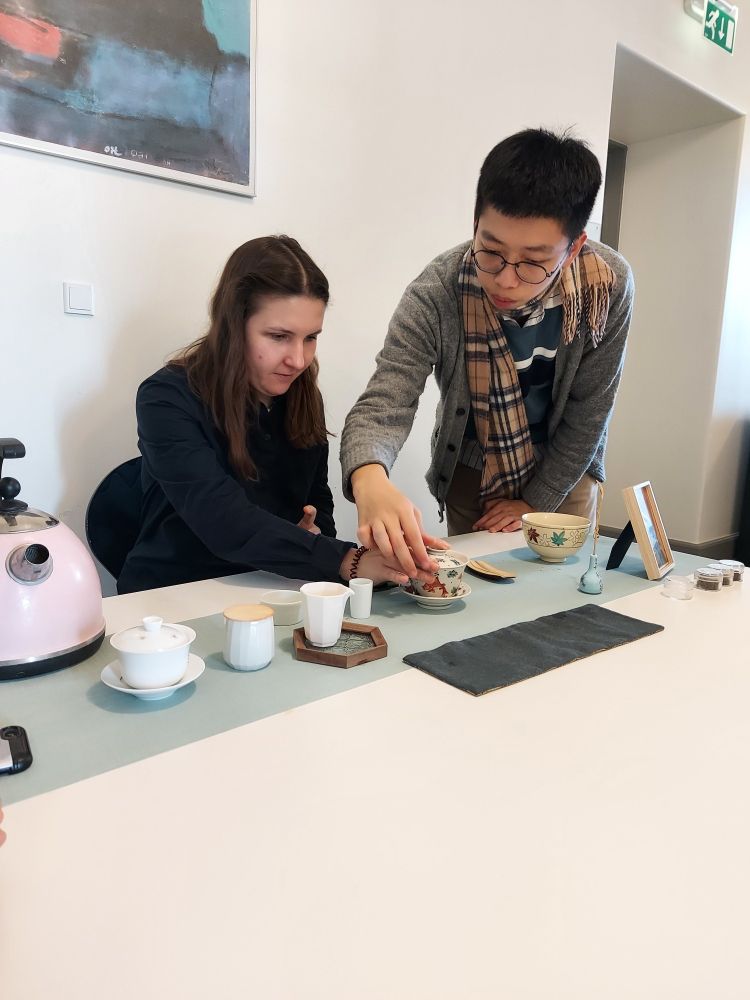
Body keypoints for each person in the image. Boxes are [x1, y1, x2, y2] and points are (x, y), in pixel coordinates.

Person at [341, 128, 634, 579]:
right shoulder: (439, 290)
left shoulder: (607, 286)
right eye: (491, 251)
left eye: (533, 261)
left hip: (566, 467)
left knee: (561, 593)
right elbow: (386, 400)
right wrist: (369, 477)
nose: (506, 280)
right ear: (474, 223)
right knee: (477, 590)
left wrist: (535, 502)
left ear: (574, 247)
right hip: (474, 469)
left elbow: (590, 412)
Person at [118, 235, 415, 594]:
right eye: (278, 336)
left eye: (310, 337)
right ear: (233, 324)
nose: (298, 359)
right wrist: (344, 560)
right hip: (175, 594)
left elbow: (317, 502)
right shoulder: (166, 398)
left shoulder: (301, 395)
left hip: (275, 587)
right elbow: (223, 520)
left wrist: (313, 535)